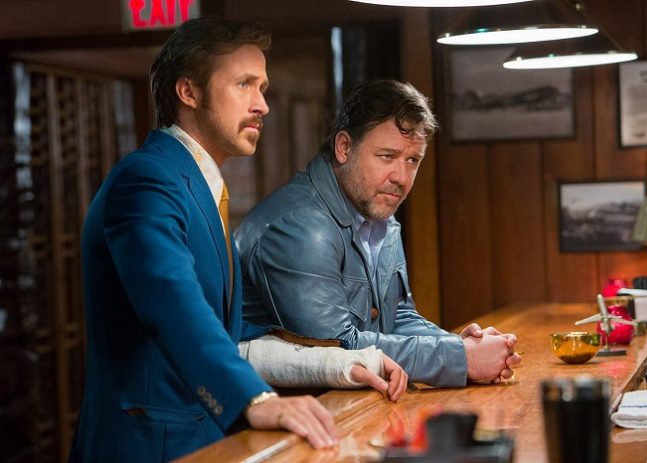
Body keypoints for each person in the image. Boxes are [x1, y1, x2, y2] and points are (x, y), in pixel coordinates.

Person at [69, 19, 407, 463]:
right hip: (148, 447)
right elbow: (172, 305)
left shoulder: (199, 186)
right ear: (188, 92)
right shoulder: (146, 178)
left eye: (262, 88)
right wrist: (255, 399)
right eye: (244, 84)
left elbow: (235, 339)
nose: (262, 104)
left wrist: (346, 364)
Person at [236, 79, 521, 387]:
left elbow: (397, 318)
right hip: (286, 411)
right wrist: (459, 357)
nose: (401, 178)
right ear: (344, 148)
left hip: (354, 404)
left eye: (412, 160)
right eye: (387, 156)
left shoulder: (378, 212)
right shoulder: (301, 226)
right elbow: (335, 349)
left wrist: (459, 347)